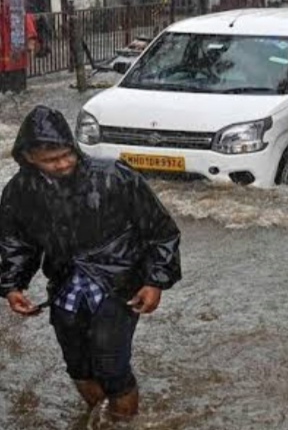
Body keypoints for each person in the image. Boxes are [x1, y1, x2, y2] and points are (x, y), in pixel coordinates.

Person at [0, 106, 182, 419]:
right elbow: (16, 241)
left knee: (112, 367)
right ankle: (99, 419)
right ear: (29, 158)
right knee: (79, 366)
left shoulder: (115, 176)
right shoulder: (20, 191)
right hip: (65, 285)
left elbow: (160, 231)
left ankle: (124, 422)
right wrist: (12, 285)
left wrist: (155, 282)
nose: (61, 164)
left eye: (65, 154)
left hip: (118, 282)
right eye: (51, 160)